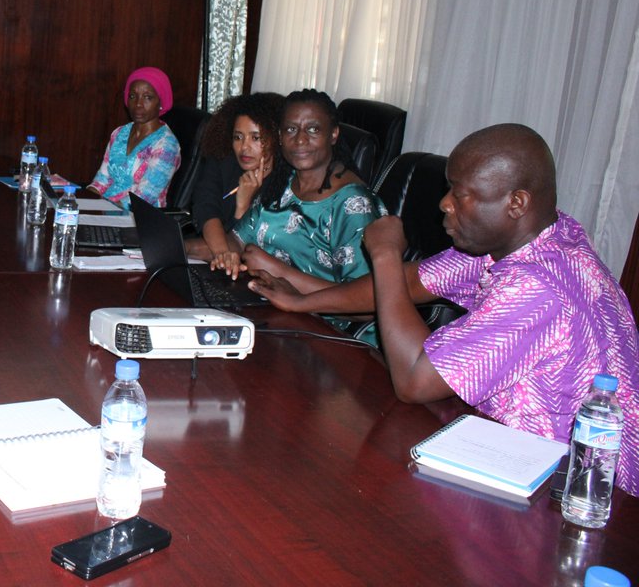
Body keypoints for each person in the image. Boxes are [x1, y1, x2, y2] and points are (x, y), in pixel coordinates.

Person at [249, 123, 639, 495]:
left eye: (460, 193)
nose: (444, 203)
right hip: (512, 457)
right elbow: (409, 283)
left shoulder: (538, 286)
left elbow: (414, 382)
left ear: (516, 203)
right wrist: (302, 301)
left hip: (571, 491)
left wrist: (384, 252)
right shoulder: (538, 238)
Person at [224, 88, 385, 289]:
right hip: (269, 303)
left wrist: (278, 272)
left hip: (324, 320)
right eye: (291, 129)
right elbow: (236, 240)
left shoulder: (353, 204)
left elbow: (364, 301)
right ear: (280, 136)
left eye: (313, 129)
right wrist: (186, 249)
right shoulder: (282, 183)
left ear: (333, 134)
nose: (300, 140)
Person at [185, 92, 284, 270]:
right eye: (238, 137)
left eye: (256, 138)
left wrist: (243, 207)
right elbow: (206, 207)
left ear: (276, 138)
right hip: (221, 262)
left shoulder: (286, 181)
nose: (244, 147)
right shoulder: (223, 162)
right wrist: (224, 255)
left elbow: (250, 246)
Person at [88, 66, 182, 209]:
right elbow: (102, 180)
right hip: (107, 210)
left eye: (147, 97)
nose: (138, 104)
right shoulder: (119, 133)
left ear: (161, 102)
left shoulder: (167, 145)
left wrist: (101, 211)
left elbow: (142, 198)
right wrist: (83, 201)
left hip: (140, 218)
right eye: (133, 96)